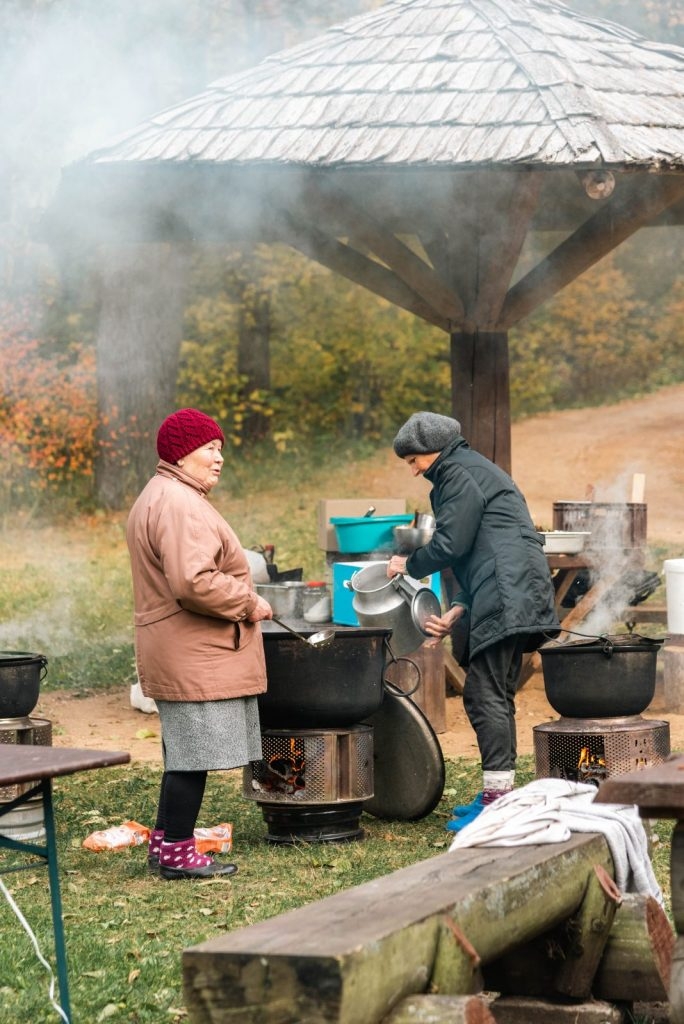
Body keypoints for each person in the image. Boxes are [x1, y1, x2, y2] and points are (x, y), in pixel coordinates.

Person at [387, 411, 559, 832]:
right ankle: (499, 797)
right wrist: (461, 604)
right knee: (495, 691)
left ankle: (498, 803)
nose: (413, 470)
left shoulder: (457, 473)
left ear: (434, 448)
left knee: (484, 694)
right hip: (506, 585)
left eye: (414, 460)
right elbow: (482, 547)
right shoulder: (467, 470)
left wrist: (409, 564)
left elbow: (452, 543)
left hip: (508, 588)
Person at [126, 408, 272, 879]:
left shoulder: (165, 494)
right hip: (193, 650)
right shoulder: (179, 503)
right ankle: (177, 853)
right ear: (182, 453)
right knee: (194, 757)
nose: (218, 458)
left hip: (180, 646)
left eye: (221, 449)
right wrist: (247, 602)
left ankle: (165, 843)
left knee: (185, 753)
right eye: (210, 448)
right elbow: (194, 581)